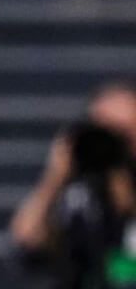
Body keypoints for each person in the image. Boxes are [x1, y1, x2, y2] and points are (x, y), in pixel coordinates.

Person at [11, 82, 136, 289]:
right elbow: (24, 247)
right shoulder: (74, 190)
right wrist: (54, 176)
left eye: (123, 132)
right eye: (104, 129)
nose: (112, 140)